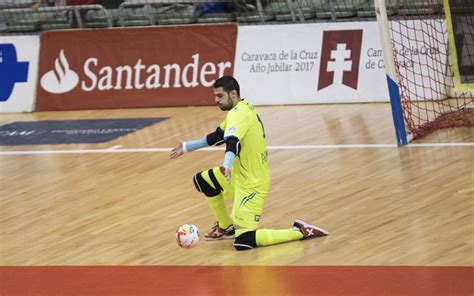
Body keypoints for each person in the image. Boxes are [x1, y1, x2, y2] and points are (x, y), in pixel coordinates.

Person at [170, 76, 329, 251]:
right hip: (238, 176)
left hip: (252, 184)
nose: (216, 100)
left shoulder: (239, 114)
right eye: (215, 96)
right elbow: (217, 137)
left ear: (233, 94)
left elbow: (233, 142)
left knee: (243, 242)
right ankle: (225, 227)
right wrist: (185, 147)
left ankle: (299, 231)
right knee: (202, 180)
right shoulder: (241, 109)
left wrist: (227, 165)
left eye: (220, 96)